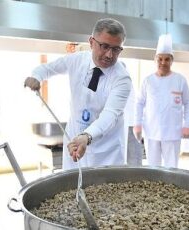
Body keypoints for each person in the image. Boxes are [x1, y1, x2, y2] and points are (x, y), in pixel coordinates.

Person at [24, 18, 131, 170]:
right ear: (91, 42)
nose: (109, 55)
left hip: (107, 151)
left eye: (116, 49)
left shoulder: (122, 78)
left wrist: (86, 137)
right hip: (74, 142)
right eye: (104, 46)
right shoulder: (77, 60)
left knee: (105, 191)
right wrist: (36, 77)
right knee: (72, 189)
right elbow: (47, 69)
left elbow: (110, 115)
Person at [133, 34, 189, 168]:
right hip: (152, 131)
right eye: (160, 59)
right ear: (155, 60)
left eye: (167, 59)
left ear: (171, 61)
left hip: (173, 132)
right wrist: (137, 124)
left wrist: (188, 125)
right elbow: (139, 103)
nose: (163, 62)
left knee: (171, 168)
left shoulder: (180, 80)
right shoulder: (148, 81)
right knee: (152, 168)